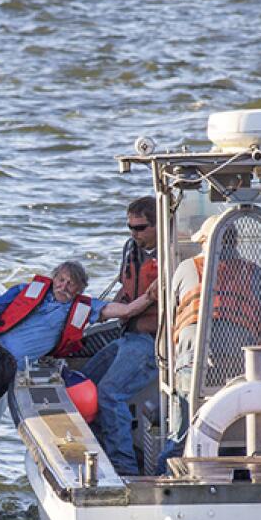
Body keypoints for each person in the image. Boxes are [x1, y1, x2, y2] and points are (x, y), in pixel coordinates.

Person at [0, 260, 156, 483]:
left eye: (72, 284)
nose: (64, 286)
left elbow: (125, 311)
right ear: (53, 278)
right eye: (61, 279)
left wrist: (150, 295)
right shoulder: (25, 292)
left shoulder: (84, 309)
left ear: (79, 290)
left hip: (5, 367)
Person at [159, 216, 261, 471]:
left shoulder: (185, 269)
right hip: (242, 369)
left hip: (191, 366)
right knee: (242, 432)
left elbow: (169, 322)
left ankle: (165, 476)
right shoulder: (256, 273)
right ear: (235, 242)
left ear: (205, 241)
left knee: (180, 437)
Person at [79, 196, 160, 475]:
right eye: (130, 228)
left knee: (110, 394)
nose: (134, 234)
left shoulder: (172, 258)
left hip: (152, 342)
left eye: (140, 228)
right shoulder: (133, 251)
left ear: (159, 224)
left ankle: (124, 469)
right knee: (81, 384)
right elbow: (125, 291)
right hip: (127, 336)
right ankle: (99, 452)